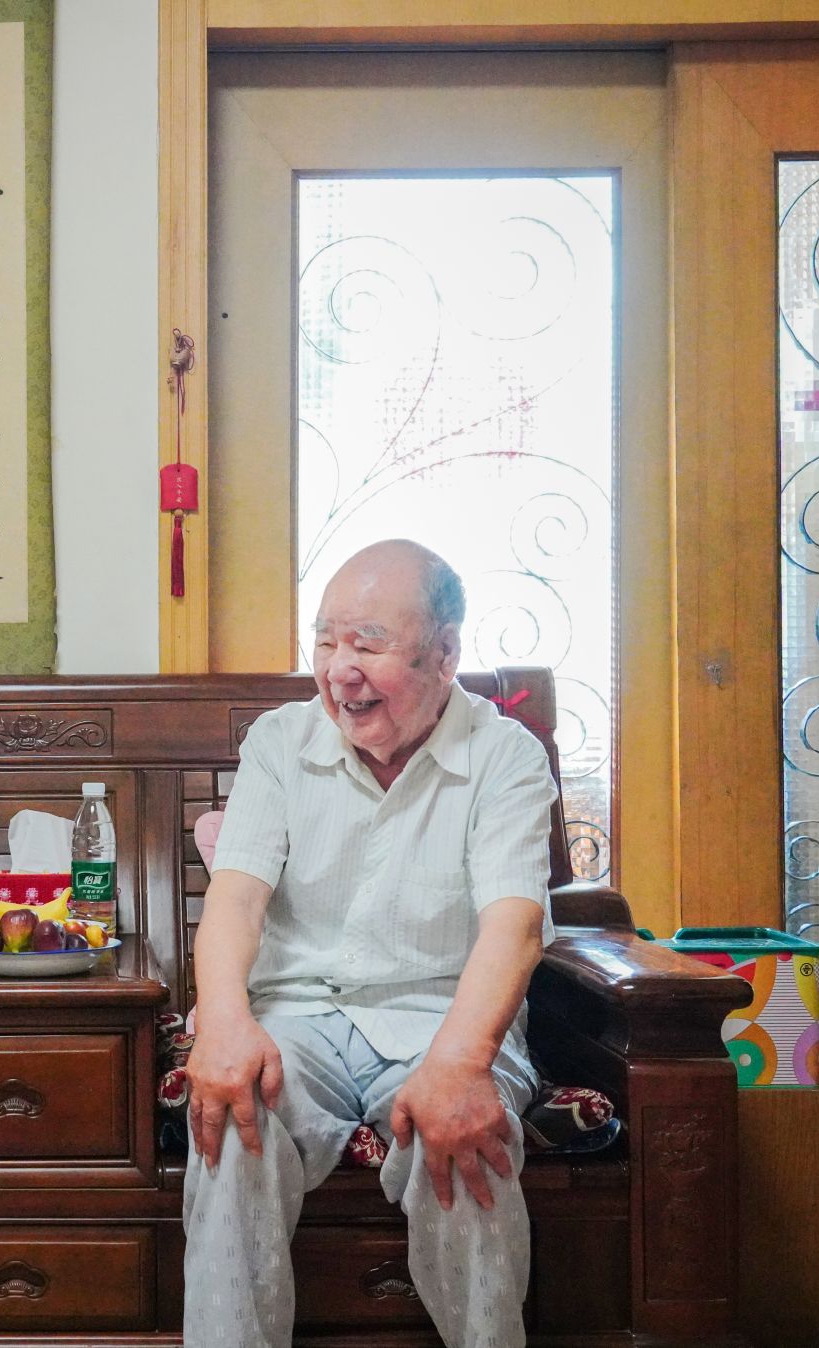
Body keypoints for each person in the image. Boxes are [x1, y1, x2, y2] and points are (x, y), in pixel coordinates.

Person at [182, 538, 559, 1348]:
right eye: (326, 641)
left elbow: (515, 927)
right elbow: (236, 901)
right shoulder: (279, 743)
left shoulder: (505, 757)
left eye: (369, 644)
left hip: (443, 1017)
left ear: (445, 653)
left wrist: (461, 1063)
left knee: (467, 1136)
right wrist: (222, 1024)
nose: (339, 670)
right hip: (295, 1016)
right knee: (231, 1110)